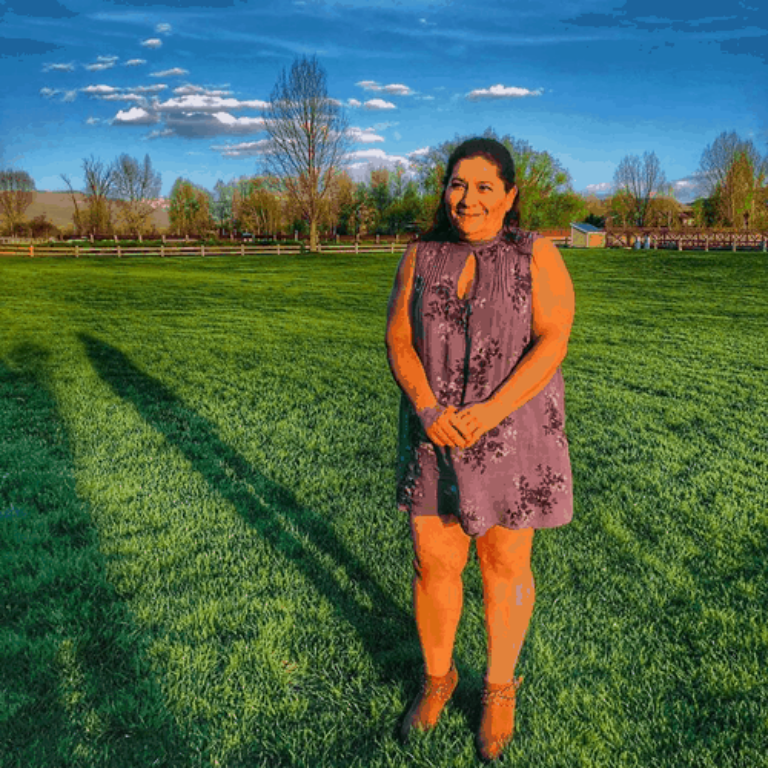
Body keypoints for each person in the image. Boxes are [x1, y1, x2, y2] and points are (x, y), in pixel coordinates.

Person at [385, 137, 575, 762]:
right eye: (457, 185)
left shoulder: (535, 254)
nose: (468, 199)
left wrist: (491, 411)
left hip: (512, 433)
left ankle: (499, 689)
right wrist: (429, 411)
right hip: (434, 431)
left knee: (505, 565)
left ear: (510, 194)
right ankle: (439, 678)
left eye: (485, 186)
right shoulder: (421, 254)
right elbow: (397, 338)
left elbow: (552, 341)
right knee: (433, 562)